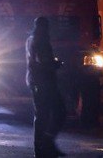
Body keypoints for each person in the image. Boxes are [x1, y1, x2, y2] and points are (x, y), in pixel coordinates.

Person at [26, 16, 66, 158]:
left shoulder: (31, 38)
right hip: (44, 81)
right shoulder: (41, 40)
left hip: (37, 81)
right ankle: (45, 145)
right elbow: (43, 62)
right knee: (57, 112)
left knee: (42, 115)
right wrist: (57, 64)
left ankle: (43, 147)